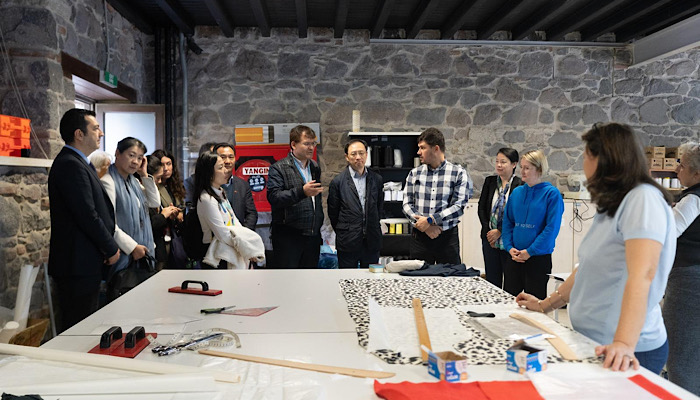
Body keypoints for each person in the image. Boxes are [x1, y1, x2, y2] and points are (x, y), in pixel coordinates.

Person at [516, 122, 675, 375]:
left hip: (626, 350)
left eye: (585, 155)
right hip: (595, 341)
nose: (583, 164)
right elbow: (587, 269)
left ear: (602, 159)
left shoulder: (642, 199)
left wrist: (624, 343)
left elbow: (643, 274)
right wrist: (545, 305)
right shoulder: (614, 204)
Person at [48, 109, 120, 332]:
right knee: (78, 328)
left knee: (87, 325)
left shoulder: (80, 162)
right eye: (96, 128)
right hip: (76, 263)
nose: (101, 133)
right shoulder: (70, 164)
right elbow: (87, 214)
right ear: (79, 134)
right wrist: (110, 248)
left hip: (85, 261)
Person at [402, 127, 472, 264]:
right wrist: (425, 226)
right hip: (420, 238)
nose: (418, 152)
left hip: (447, 238)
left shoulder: (458, 173)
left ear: (436, 148)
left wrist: (430, 220)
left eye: (422, 148)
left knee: (451, 276)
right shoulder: (414, 173)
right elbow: (406, 204)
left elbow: (458, 206)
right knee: (418, 276)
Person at [100, 137, 159, 298]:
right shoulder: (108, 182)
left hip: (142, 253)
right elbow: (109, 223)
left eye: (139, 158)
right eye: (131, 155)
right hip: (125, 255)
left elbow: (155, 202)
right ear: (117, 153)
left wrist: (144, 174)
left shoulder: (134, 183)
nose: (135, 162)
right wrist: (132, 247)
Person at [663, 142, 700, 395]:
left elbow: (667, 234)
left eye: (682, 165)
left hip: (688, 281)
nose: (677, 170)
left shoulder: (693, 199)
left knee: (680, 355)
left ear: (697, 174)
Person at [501, 149, 563, 299]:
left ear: (539, 169)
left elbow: (551, 229)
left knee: (534, 305)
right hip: (514, 257)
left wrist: (530, 251)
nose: (522, 171)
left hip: (537, 258)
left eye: (527, 168)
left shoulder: (551, 194)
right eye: (522, 167)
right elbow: (508, 222)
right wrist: (509, 247)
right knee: (508, 302)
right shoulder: (516, 193)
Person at [267, 125, 324, 269]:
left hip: (312, 236)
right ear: (293, 144)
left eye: (313, 143)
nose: (311, 148)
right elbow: (274, 197)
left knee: (310, 278)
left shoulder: (314, 167)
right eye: (306, 143)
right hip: (289, 238)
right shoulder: (278, 168)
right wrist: (301, 192)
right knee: (289, 279)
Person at [194, 151, 264, 269]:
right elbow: (222, 234)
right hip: (218, 255)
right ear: (209, 174)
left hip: (231, 248)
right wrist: (245, 249)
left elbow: (235, 221)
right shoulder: (207, 199)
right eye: (220, 167)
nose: (226, 170)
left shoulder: (220, 192)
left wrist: (247, 245)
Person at [328, 139, 383, 269]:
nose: (358, 157)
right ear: (347, 157)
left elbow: (379, 208)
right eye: (353, 154)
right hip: (347, 241)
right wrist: (346, 230)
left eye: (361, 153)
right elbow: (333, 213)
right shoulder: (338, 182)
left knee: (371, 279)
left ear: (366, 155)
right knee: (347, 278)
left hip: (371, 240)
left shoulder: (376, 179)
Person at [478, 148, 522, 289]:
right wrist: (489, 232)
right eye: (497, 161)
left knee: (511, 281)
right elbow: (482, 208)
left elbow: (517, 214)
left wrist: (500, 231)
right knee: (492, 280)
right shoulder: (490, 181)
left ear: (514, 164)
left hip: (510, 240)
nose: (499, 165)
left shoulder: (520, 184)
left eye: (503, 162)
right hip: (489, 238)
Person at [151, 149, 187, 268]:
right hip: (161, 238)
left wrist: (180, 213)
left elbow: (182, 205)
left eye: (169, 164)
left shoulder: (176, 185)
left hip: (177, 236)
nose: (166, 168)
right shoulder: (153, 187)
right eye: (162, 165)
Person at [144, 155, 180, 271]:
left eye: (169, 164)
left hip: (162, 246)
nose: (159, 182)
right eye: (158, 178)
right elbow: (148, 224)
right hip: (150, 248)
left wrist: (169, 215)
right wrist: (163, 215)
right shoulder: (142, 192)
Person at [214, 142, 258, 230]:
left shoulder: (243, 185)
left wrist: (243, 233)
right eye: (223, 157)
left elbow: (251, 214)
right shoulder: (209, 184)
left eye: (231, 157)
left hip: (239, 234)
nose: (227, 161)